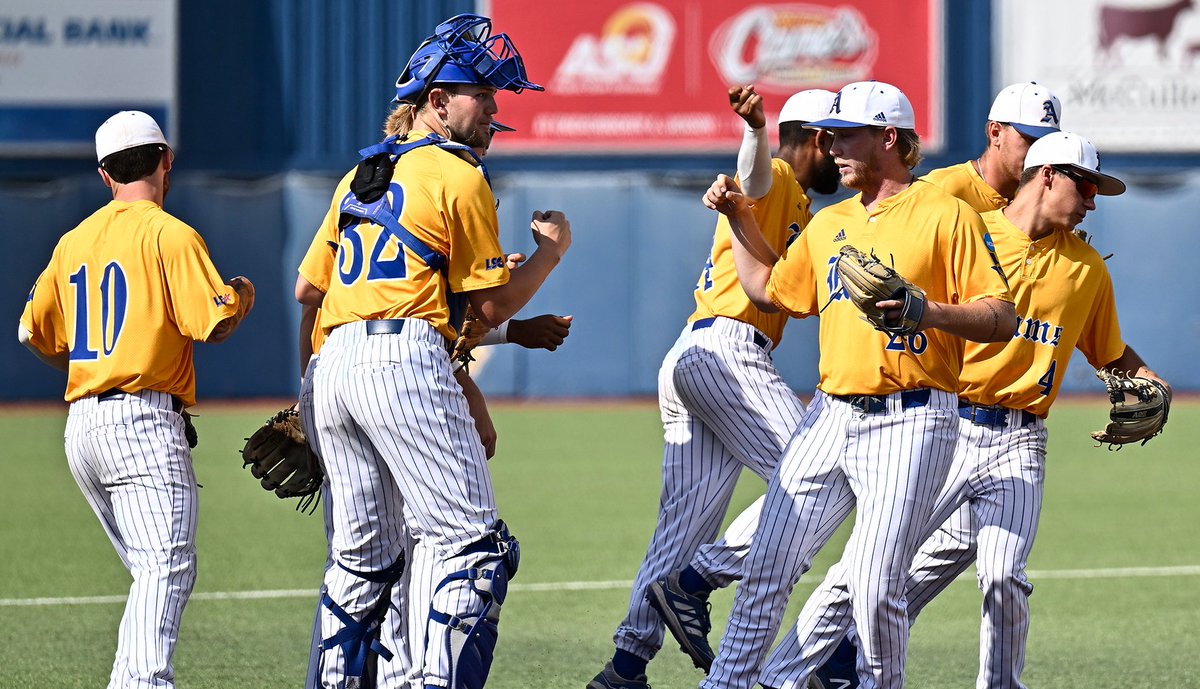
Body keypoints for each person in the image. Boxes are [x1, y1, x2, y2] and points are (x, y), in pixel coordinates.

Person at [760, 132, 1172, 689]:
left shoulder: (1086, 270)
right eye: (1087, 185)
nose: (1093, 201)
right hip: (948, 427)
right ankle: (789, 674)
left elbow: (1109, 352)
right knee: (869, 570)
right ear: (1048, 174)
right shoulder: (973, 231)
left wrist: (1143, 379)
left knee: (1004, 576)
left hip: (1021, 442)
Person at [699, 80, 1015, 689]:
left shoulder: (944, 214)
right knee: (768, 565)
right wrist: (738, 215)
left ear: (889, 138)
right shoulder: (830, 222)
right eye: (830, 135)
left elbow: (1000, 316)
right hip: (829, 414)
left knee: (872, 586)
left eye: (847, 135)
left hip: (912, 418)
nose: (832, 145)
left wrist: (931, 313)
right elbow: (770, 289)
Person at [292, 14, 571, 689]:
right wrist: (550, 253)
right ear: (438, 102)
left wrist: (310, 395)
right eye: (483, 94)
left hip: (333, 366)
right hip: (402, 361)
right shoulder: (457, 173)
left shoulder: (362, 171)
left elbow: (307, 289)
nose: (495, 108)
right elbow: (491, 306)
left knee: (360, 564)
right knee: (474, 548)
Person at [794, 80, 1064, 689]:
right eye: (1030, 140)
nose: (1039, 156)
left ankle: (840, 666)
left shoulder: (1053, 228)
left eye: (1049, 145)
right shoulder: (943, 193)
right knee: (865, 571)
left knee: (930, 571)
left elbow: (1003, 309)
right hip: (930, 412)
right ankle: (798, 668)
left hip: (992, 428)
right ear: (995, 133)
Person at [587, 85, 841, 689]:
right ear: (817, 139)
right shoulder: (778, 175)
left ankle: (625, 668)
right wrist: (754, 129)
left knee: (683, 524)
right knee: (824, 471)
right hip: (728, 352)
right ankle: (697, 580)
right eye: (840, 140)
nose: (845, 154)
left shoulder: (800, 201)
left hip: (693, 356)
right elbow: (751, 179)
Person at [18, 110, 254, 688]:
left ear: (104, 175)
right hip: (141, 424)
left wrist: (88, 368)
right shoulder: (168, 233)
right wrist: (242, 295)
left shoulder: (74, 240)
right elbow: (214, 322)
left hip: (83, 429)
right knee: (164, 568)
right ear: (166, 160)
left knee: (152, 572)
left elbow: (30, 331)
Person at [922, 82, 1062, 211]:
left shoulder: (1040, 202)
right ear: (995, 133)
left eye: (1047, 143)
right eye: (1031, 141)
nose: (1041, 152)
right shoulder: (940, 190)